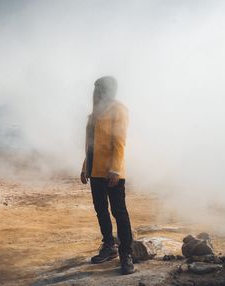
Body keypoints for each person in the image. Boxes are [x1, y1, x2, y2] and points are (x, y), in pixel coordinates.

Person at [80, 76, 135, 275]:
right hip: (95, 171)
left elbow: (119, 143)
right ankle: (109, 246)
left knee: (119, 212)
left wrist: (115, 170)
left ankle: (126, 254)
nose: (95, 93)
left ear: (108, 91)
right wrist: (86, 166)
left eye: (99, 90)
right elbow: (91, 145)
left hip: (112, 173)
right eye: (95, 90)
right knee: (101, 210)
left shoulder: (118, 110)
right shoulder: (94, 114)